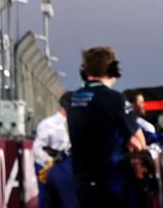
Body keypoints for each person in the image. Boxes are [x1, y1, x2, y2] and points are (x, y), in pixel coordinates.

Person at [67, 46, 146, 207]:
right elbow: (140, 141)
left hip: (82, 182)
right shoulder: (115, 99)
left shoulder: (72, 99)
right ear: (114, 69)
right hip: (110, 184)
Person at [33, 92, 73, 207]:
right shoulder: (48, 124)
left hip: (66, 168)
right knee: (46, 200)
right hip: (47, 166)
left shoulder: (74, 124)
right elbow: (38, 148)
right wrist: (49, 165)